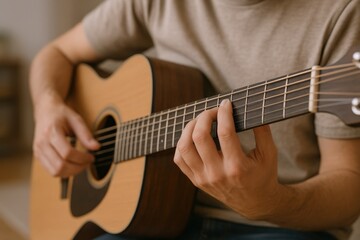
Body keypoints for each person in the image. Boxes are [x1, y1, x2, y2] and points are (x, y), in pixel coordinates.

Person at [30, 0, 360, 239]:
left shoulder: (341, 11)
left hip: (280, 226)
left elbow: (348, 187)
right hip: (150, 221)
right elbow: (57, 53)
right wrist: (47, 106)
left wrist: (269, 202)